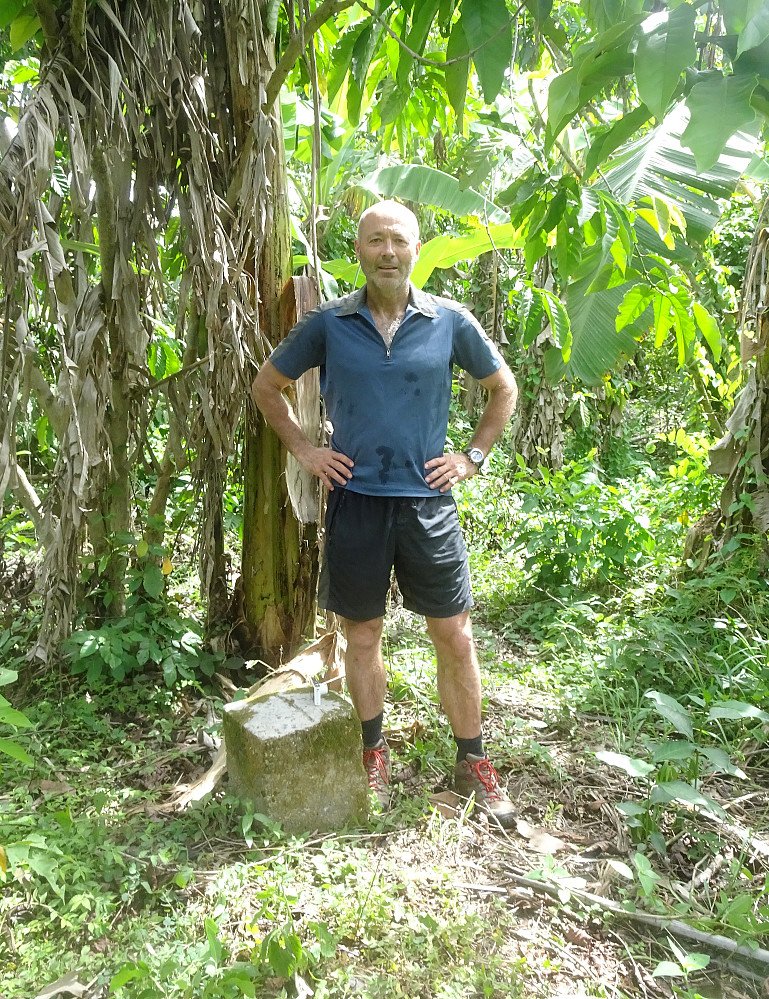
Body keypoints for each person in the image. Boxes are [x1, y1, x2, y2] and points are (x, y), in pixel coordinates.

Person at [252, 200, 518, 827]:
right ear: (360, 250)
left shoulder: (449, 321)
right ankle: (374, 753)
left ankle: (473, 761)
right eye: (375, 241)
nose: (388, 252)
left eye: (398, 240)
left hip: (428, 504)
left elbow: (502, 388)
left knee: (453, 635)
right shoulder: (329, 323)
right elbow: (267, 387)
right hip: (356, 504)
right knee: (361, 635)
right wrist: (307, 450)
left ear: (417, 248)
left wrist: (472, 457)